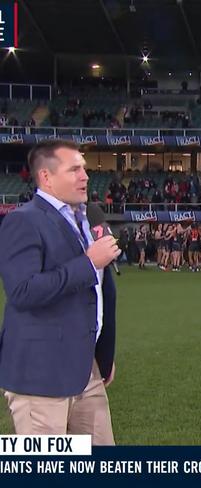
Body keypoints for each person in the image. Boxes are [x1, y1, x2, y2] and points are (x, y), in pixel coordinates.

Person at [0, 139, 121, 444]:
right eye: (75, 169)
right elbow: (23, 291)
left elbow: (99, 294)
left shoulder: (87, 217)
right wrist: (88, 262)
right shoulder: (22, 220)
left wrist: (101, 353)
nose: (86, 176)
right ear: (46, 177)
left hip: (85, 369)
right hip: (40, 376)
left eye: (84, 168)